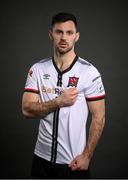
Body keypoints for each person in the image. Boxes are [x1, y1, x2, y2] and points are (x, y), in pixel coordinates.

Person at [22, 12, 106, 179]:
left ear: (77, 36)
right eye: (59, 32)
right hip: (41, 160)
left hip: (72, 163)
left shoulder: (89, 72)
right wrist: (59, 101)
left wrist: (87, 156)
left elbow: (99, 117)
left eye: (69, 32)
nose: (63, 37)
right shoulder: (38, 69)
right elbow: (27, 110)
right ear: (50, 35)